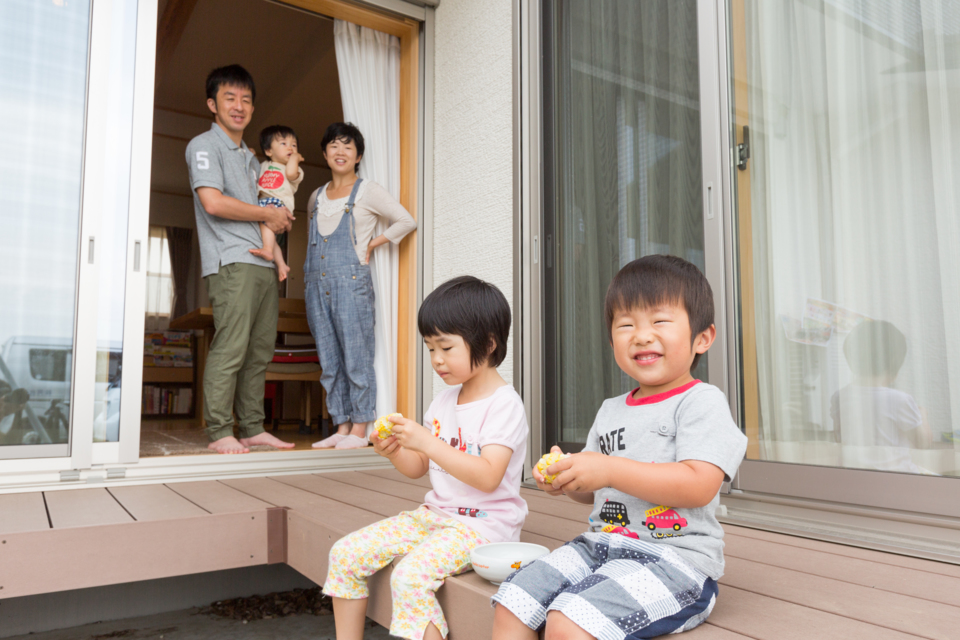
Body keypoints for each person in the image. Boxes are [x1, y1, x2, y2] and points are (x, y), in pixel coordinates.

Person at [492, 255, 748, 640]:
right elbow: (598, 492)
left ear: (702, 337)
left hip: (675, 562)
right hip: (599, 546)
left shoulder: (701, 401)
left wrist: (608, 468)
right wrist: (572, 481)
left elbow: (700, 485)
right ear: (612, 339)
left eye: (660, 321)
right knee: (514, 599)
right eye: (626, 325)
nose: (641, 335)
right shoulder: (611, 409)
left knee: (567, 621)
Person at [323, 276, 528, 640]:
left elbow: (488, 477)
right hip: (435, 517)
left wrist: (428, 443)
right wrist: (396, 450)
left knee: (410, 576)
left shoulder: (504, 405)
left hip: (483, 526)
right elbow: (419, 468)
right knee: (345, 553)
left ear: (490, 343)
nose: (437, 360)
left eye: (446, 348)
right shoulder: (444, 400)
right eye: (430, 348)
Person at [185, 64, 295, 454]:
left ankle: (251, 426)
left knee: (259, 350)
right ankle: (219, 431)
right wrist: (268, 214)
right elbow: (212, 202)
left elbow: (269, 204)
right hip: (232, 261)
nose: (239, 106)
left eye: (246, 100)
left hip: (262, 263)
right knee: (231, 346)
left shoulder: (252, 160)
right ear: (212, 104)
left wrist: (276, 219)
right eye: (229, 98)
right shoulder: (204, 145)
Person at [305, 122, 416, 450]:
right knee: (329, 358)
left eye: (348, 147)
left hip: (352, 283)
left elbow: (406, 221)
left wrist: (371, 245)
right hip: (315, 284)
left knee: (356, 355)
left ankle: (360, 426)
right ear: (325, 154)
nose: (340, 152)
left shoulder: (367, 190)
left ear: (358, 156)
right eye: (334, 146)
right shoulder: (315, 196)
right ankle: (341, 426)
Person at [831, 320, 934, 474]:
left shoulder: (839, 396)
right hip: (897, 477)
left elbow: (839, 438)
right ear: (894, 366)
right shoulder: (900, 400)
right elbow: (923, 443)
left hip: (853, 475)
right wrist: (923, 415)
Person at [248, 124, 304, 282]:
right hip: (264, 203)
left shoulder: (294, 169)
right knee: (268, 233)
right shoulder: (264, 165)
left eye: (294, 145)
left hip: (278, 203)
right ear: (268, 151)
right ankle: (281, 264)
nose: (290, 148)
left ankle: (266, 249)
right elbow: (252, 172)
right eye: (284, 144)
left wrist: (295, 159)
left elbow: (292, 173)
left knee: (265, 229)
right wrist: (250, 155)